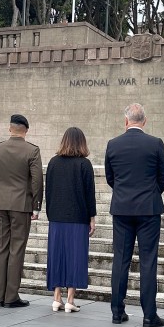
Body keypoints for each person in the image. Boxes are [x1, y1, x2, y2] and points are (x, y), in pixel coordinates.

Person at [104, 103, 164, 327]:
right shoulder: (155, 143)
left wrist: (124, 194)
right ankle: (150, 315)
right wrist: (150, 194)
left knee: (120, 260)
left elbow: (110, 177)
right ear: (145, 120)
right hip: (148, 209)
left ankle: (117, 311)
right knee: (148, 261)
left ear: (125, 121)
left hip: (122, 209)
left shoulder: (113, 144)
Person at [0, 114, 43, 308]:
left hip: (0, 203)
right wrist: (36, 206)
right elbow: (37, 180)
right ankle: (11, 296)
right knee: (16, 249)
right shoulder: (32, 151)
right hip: (21, 205)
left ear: (10, 129)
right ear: (26, 131)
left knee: (1, 247)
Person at [45, 127, 96, 313]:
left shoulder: (53, 162)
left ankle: (56, 297)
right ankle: (70, 300)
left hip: (57, 217)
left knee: (57, 255)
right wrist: (92, 217)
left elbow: (48, 191)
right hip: (78, 217)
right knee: (75, 257)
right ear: (81, 142)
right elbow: (90, 194)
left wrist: (50, 214)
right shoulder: (84, 164)